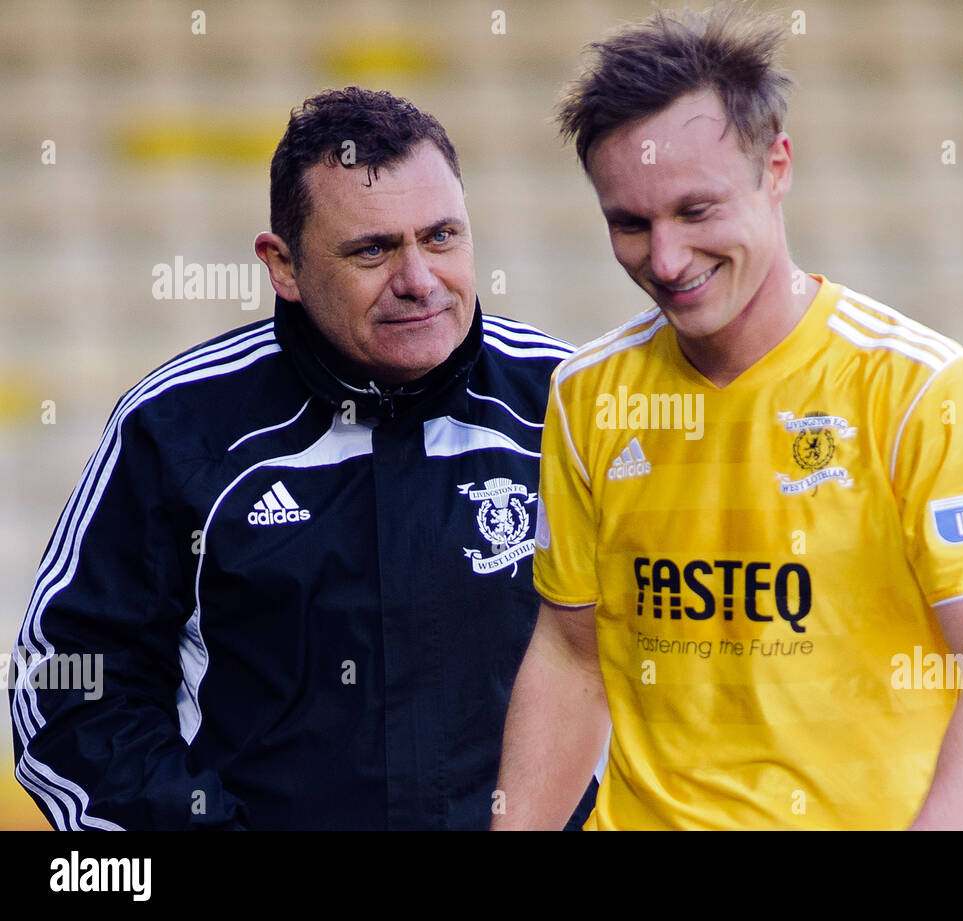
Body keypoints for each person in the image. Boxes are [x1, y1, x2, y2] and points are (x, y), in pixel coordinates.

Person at [493, 5, 963, 830]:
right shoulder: (588, 394)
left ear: (776, 166)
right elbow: (573, 654)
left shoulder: (920, 389)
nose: (668, 260)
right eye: (630, 224)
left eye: (697, 211)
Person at [10, 86, 595, 830]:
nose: (418, 280)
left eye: (442, 236)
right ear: (282, 265)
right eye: (373, 249)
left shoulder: (569, 407)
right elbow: (65, 683)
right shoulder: (179, 427)